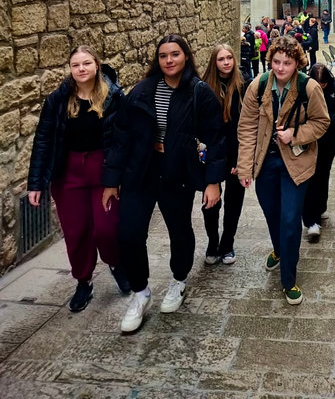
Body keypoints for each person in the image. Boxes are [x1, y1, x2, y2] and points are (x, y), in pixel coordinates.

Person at [102, 34, 226, 333]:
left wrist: (213, 182)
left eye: (174, 54)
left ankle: (179, 280)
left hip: (177, 171)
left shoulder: (199, 92)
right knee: (129, 233)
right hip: (141, 170)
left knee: (179, 230)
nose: (169, 60)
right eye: (163, 55)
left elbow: (216, 139)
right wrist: (111, 179)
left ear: (186, 57)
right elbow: (122, 136)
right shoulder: (142, 90)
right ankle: (140, 292)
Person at [27, 46, 129, 313]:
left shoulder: (114, 97)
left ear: (96, 65)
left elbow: (122, 140)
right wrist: (35, 183)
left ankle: (116, 262)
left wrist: (115, 178)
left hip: (103, 170)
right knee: (77, 232)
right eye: (75, 65)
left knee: (106, 229)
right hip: (68, 173)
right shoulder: (58, 99)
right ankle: (83, 281)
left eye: (86, 63)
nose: (81, 69)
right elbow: (43, 140)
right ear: (70, 69)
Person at [237, 36, 329, 305]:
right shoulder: (258, 85)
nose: (280, 68)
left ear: (297, 63)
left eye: (287, 63)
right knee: (272, 213)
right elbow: (247, 127)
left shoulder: (309, 88)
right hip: (265, 161)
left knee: (290, 219)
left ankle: (289, 279)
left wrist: (295, 134)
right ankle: (279, 250)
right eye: (276, 61)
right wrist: (244, 167)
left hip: (296, 162)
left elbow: (322, 122)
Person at [201, 44, 248, 265]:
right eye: (221, 59)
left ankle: (227, 243)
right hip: (212, 154)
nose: (226, 62)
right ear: (214, 62)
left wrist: (244, 158)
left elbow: (249, 124)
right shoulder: (204, 87)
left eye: (229, 57)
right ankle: (213, 242)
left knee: (234, 202)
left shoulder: (243, 85)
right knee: (210, 202)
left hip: (236, 153)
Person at [303, 65, 335, 240]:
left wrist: (329, 119)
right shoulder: (304, 90)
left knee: (323, 173)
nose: (320, 88)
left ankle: (321, 207)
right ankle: (311, 219)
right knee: (312, 176)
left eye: (323, 84)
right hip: (309, 140)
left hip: (329, 140)